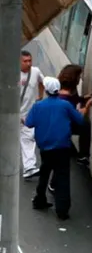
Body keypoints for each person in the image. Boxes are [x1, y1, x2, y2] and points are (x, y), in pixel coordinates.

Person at [25, 77, 92, 220]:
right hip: (62, 147)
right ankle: (62, 210)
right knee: (62, 178)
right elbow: (79, 120)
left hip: (45, 148)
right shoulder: (65, 105)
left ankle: (39, 200)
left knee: (44, 173)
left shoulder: (38, 106)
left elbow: (29, 123)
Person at [19, 50, 43, 179]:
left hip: (27, 113)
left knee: (27, 137)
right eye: (25, 61)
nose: (28, 64)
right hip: (11, 113)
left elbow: (42, 82)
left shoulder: (36, 71)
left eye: (30, 61)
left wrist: (40, 96)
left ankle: (29, 167)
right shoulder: (11, 74)